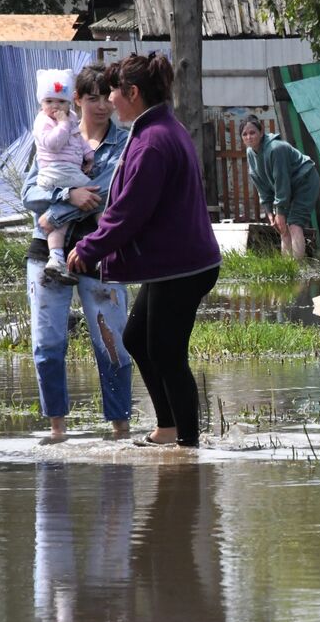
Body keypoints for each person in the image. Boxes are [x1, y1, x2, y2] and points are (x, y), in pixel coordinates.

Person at [66, 53, 221, 447]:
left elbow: (128, 212)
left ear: (132, 93)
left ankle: (188, 446)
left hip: (182, 266)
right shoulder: (155, 129)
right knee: (137, 338)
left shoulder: (153, 141)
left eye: (113, 92)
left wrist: (89, 247)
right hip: (175, 263)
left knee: (167, 353)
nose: (109, 100)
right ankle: (168, 428)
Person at [23, 64, 133, 444]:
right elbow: (28, 193)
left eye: (107, 98)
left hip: (99, 249)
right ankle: (57, 430)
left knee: (112, 343)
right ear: (76, 99)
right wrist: (67, 195)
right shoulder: (48, 133)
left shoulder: (124, 145)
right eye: (92, 98)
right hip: (45, 251)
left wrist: (55, 213)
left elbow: (104, 194)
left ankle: (120, 429)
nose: (101, 106)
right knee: (47, 343)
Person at [31, 69, 94, 283]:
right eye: (49, 101)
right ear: (41, 103)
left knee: (61, 222)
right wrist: (63, 124)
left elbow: (78, 139)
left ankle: (56, 257)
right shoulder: (43, 121)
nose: (55, 107)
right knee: (99, 195)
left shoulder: (71, 118)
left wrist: (89, 155)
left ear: (70, 102)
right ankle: (107, 244)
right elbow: (53, 144)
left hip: (69, 171)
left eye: (60, 101)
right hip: (56, 171)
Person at [240, 114, 320, 259]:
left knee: (294, 224)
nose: (249, 137)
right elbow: (261, 184)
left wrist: (280, 211)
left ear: (261, 132)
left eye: (252, 132)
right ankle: (288, 266)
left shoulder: (275, 149)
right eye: (244, 134)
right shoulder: (250, 152)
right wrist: (269, 211)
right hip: (287, 187)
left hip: (305, 181)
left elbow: (281, 180)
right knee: (282, 228)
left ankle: (298, 267)